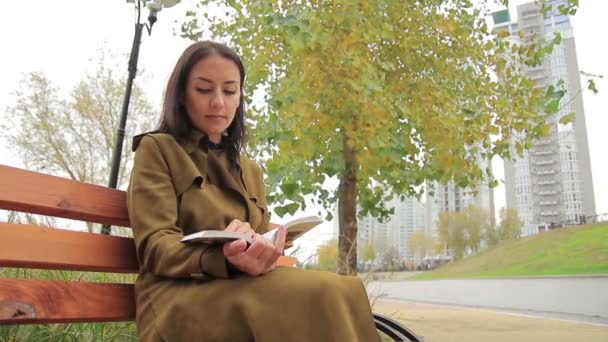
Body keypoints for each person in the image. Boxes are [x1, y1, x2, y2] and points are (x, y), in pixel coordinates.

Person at [127, 41, 378, 341]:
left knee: (345, 288)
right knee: (321, 293)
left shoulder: (249, 169)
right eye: (204, 90)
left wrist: (266, 247)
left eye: (230, 91)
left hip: (243, 286)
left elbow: (258, 243)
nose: (218, 102)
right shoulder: (157, 149)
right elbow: (155, 246)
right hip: (178, 296)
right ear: (181, 95)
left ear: (239, 97)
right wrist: (220, 257)